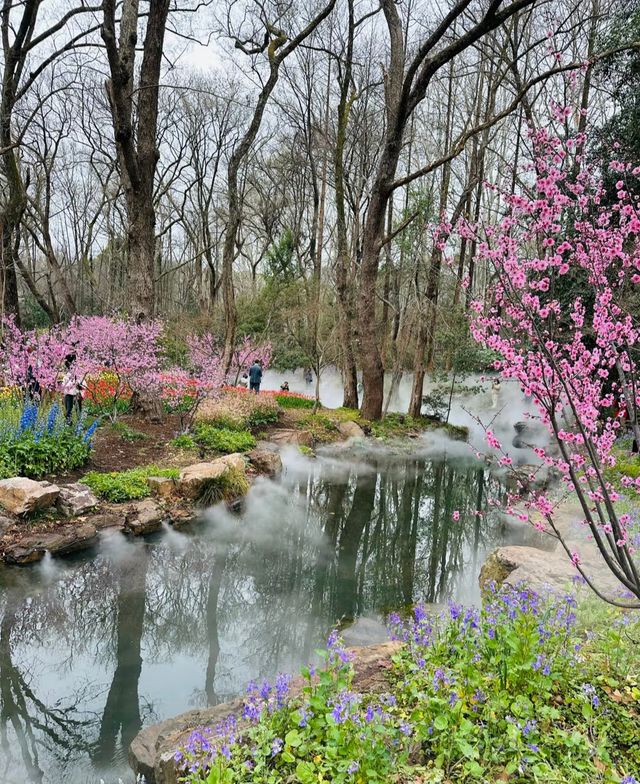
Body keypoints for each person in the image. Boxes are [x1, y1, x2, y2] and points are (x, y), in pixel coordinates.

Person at [61, 355, 84, 422]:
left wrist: (77, 385)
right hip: (69, 393)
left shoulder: (77, 371)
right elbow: (65, 382)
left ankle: (77, 423)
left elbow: (81, 382)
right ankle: (69, 422)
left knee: (76, 409)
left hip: (74, 392)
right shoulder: (68, 371)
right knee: (69, 409)